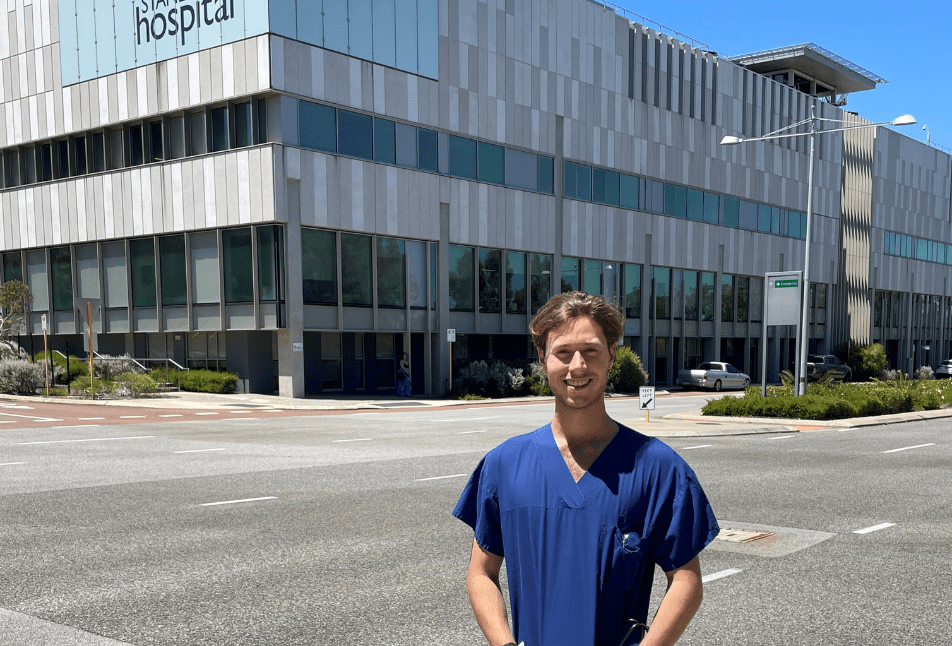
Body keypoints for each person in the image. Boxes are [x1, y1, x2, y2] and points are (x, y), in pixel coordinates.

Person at [453, 292, 719, 646]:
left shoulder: (659, 467)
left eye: (591, 351)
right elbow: (481, 573)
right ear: (542, 358)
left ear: (611, 356)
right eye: (563, 352)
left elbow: (686, 579)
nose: (577, 365)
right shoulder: (504, 464)